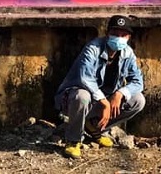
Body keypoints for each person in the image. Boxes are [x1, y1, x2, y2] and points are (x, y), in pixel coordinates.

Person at [55, 15, 145, 159]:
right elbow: (85, 78)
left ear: (128, 37)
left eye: (123, 35)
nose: (119, 38)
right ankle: (73, 140)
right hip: (73, 101)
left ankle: (94, 126)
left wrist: (120, 93)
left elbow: (138, 82)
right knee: (82, 96)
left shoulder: (128, 54)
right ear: (107, 33)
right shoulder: (93, 48)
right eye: (115, 34)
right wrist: (104, 101)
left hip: (102, 101)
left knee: (138, 100)